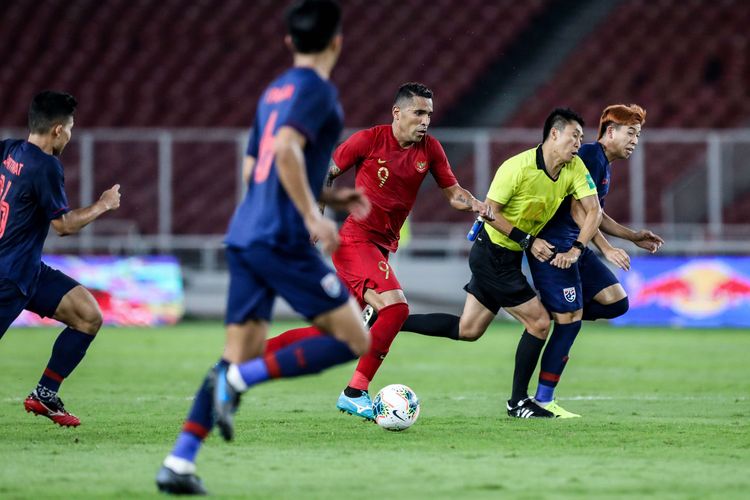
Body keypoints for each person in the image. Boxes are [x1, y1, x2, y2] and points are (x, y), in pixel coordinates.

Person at [156, 0, 371, 495]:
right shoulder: (318, 91)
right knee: (353, 338)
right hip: (280, 238)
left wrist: (329, 195)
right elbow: (287, 151)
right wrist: (314, 215)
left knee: (237, 353)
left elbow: (261, 161)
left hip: (246, 232)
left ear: (289, 43)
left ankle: (180, 462)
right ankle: (237, 383)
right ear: (337, 42)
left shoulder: (273, 90)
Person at [262, 81, 494, 421]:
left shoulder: (430, 150)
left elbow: (452, 191)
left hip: (380, 248)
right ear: (397, 113)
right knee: (396, 309)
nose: (425, 121)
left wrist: (474, 203)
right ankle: (355, 391)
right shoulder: (369, 140)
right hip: (356, 241)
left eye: (429, 114)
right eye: (418, 113)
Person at [401, 108, 602, 418]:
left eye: (581, 138)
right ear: (554, 134)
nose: (578, 143)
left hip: (507, 255)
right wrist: (529, 241)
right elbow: (488, 212)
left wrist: (577, 248)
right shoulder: (517, 167)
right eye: (573, 136)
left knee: (467, 329)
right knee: (539, 322)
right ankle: (518, 402)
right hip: (492, 254)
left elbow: (593, 211)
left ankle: (390, 321)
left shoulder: (574, 168)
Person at [526, 104, 664, 417]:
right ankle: (543, 399)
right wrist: (607, 249)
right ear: (610, 131)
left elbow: (596, 214)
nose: (635, 140)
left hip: (577, 245)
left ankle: (553, 309)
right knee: (570, 323)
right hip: (557, 248)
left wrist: (631, 236)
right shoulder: (590, 155)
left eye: (638, 135)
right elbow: (580, 211)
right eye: (631, 133)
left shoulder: (603, 163)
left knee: (616, 302)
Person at [0, 91, 121, 427]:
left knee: (87, 315)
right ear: (56, 130)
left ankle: (45, 393)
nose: (70, 134)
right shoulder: (45, 166)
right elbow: (63, 225)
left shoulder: (10, 150)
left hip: (27, 270)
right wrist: (103, 204)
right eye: (70, 128)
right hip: (8, 278)